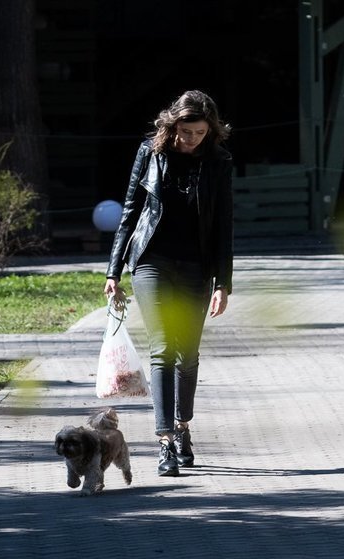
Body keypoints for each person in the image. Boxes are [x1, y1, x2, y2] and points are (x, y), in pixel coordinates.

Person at [104, 90, 233, 477]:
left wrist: (223, 284)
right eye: (185, 130)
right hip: (151, 261)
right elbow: (130, 211)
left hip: (197, 266)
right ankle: (164, 442)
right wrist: (113, 271)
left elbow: (224, 225)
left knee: (187, 354)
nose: (190, 139)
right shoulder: (151, 152)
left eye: (199, 132)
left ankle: (182, 428)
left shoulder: (219, 161)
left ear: (210, 131)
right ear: (172, 124)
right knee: (162, 348)